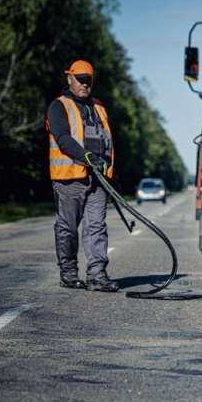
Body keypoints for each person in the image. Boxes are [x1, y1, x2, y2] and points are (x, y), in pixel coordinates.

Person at [45, 60, 119, 292]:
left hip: (97, 179)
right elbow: (64, 139)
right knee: (67, 228)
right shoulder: (59, 106)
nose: (85, 84)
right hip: (69, 178)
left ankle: (97, 275)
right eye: (80, 79)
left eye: (88, 80)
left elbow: (106, 142)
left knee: (97, 227)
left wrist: (110, 173)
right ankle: (68, 274)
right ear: (70, 79)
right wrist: (88, 157)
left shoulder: (97, 106)